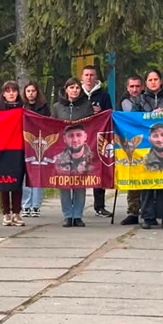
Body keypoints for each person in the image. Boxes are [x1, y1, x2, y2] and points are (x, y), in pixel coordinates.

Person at [136, 69, 163, 229]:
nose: (153, 82)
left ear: (160, 81)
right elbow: (134, 119)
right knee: (147, 182)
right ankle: (147, 216)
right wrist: (151, 115)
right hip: (146, 145)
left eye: (156, 79)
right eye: (150, 80)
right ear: (146, 82)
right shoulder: (139, 99)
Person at [52, 78, 93, 226]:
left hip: (81, 149)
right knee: (64, 183)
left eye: (77, 88)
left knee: (79, 183)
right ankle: (68, 215)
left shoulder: (86, 105)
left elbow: (92, 125)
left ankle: (78, 215)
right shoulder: (57, 107)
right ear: (66, 89)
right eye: (71, 87)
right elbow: (52, 125)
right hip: (62, 149)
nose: (74, 90)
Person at [79, 65, 113, 216]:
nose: (89, 78)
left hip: (98, 136)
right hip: (79, 137)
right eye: (86, 75)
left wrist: (101, 113)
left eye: (91, 75)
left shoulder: (104, 95)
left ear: (96, 77)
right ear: (82, 77)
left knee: (98, 169)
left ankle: (99, 206)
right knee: (78, 170)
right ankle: (76, 207)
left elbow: (109, 114)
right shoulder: (77, 93)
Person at [0, 81, 25, 225]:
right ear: (3, 93)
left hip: (18, 148)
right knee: (3, 181)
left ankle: (16, 213)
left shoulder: (23, 108)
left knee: (17, 181)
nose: (11, 93)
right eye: (8, 91)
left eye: (14, 90)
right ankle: (6, 213)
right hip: (2, 148)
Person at [119, 74, 145, 224]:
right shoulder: (122, 102)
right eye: (132, 86)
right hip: (130, 143)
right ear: (127, 88)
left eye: (137, 86)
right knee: (133, 177)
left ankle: (150, 210)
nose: (135, 89)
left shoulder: (146, 100)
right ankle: (133, 210)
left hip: (147, 142)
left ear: (142, 87)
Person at [21, 82, 49, 217]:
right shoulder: (22, 107)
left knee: (38, 174)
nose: (31, 93)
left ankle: (36, 205)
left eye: (33, 91)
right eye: (28, 91)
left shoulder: (44, 107)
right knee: (25, 175)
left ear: (37, 92)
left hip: (40, 144)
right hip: (25, 143)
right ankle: (26, 205)